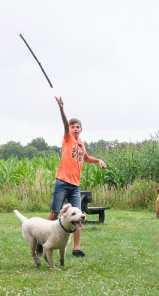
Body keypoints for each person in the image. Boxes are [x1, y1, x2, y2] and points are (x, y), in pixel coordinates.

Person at [37, 96, 106, 258]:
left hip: (75, 185)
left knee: (78, 216)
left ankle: (76, 249)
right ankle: (40, 242)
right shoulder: (67, 139)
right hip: (62, 182)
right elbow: (64, 122)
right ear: (69, 129)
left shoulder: (81, 144)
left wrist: (99, 160)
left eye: (78, 127)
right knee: (54, 213)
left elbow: (87, 158)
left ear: (81, 129)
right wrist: (62, 108)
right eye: (73, 127)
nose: (75, 129)